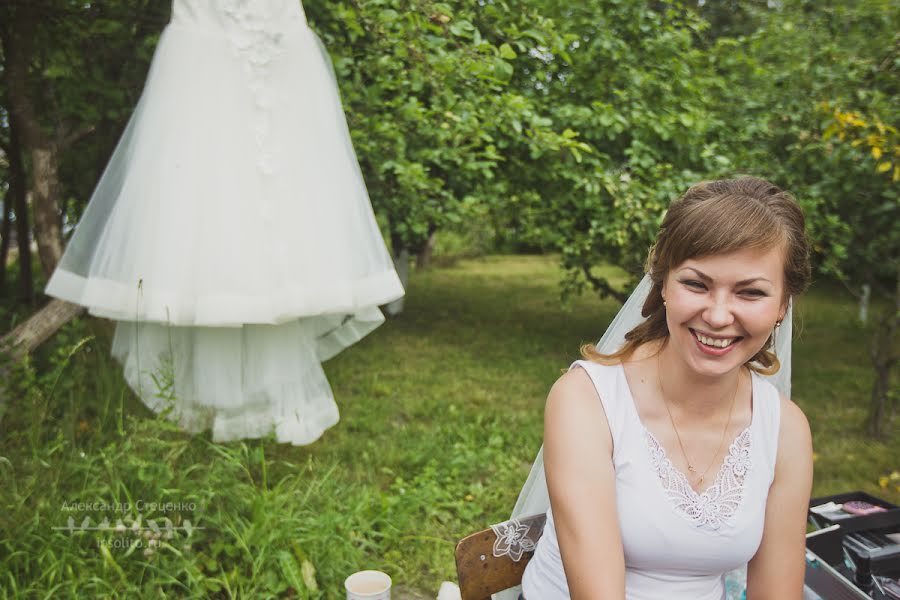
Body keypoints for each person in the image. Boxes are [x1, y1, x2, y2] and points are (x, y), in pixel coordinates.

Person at [44, 0, 404, 444]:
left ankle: (238, 409)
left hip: (279, 82)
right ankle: (225, 408)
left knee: (267, 236)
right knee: (214, 231)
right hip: (199, 102)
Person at [518, 177, 813, 599]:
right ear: (663, 284)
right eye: (696, 284)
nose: (717, 315)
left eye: (750, 292)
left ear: (783, 305)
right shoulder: (585, 402)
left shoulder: (786, 429)